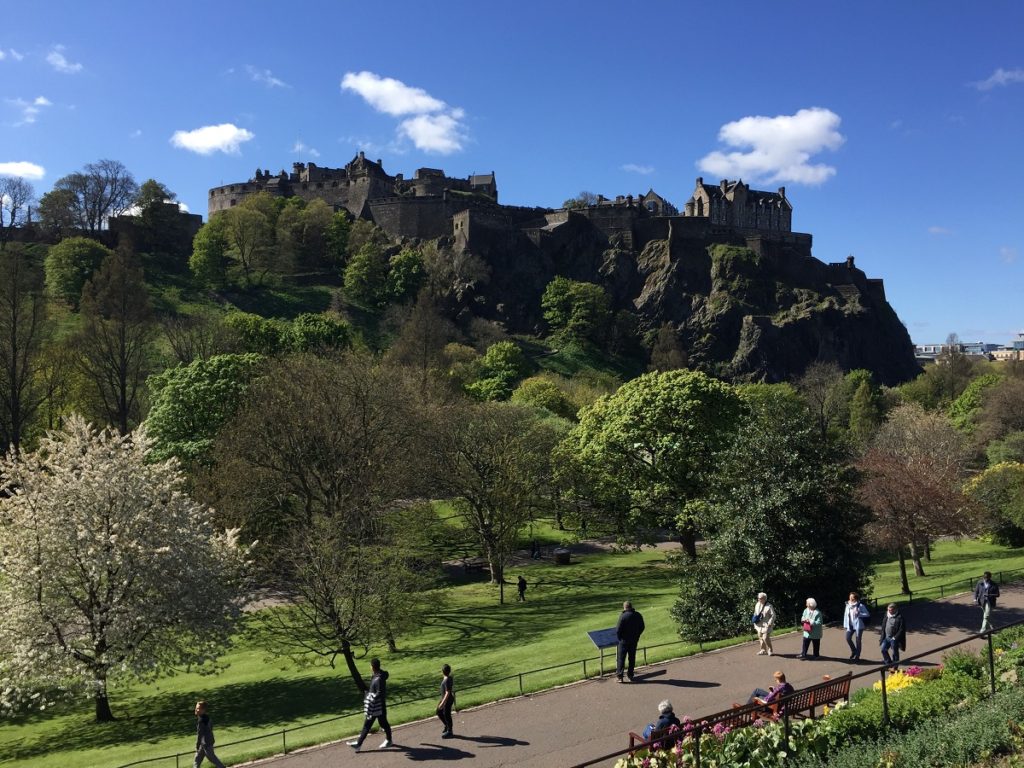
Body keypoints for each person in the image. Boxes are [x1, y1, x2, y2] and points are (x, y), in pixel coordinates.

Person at [347, 658, 393, 751]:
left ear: (372, 667)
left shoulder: (379, 678)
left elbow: (380, 693)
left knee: (379, 723)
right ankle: (359, 744)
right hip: (376, 705)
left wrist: (370, 698)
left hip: (377, 706)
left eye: (370, 665)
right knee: (373, 723)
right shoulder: (376, 675)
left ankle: (388, 740)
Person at [616, 600, 646, 682]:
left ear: (625, 607)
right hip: (634, 640)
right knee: (632, 658)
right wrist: (637, 635)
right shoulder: (638, 615)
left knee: (621, 659)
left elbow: (618, 630)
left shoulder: (623, 616)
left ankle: (620, 676)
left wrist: (620, 638)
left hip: (624, 641)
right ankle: (630, 675)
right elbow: (642, 627)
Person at [192, 700, 226, 768]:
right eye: (196, 707)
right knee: (197, 759)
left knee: (212, 758)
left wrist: (197, 745)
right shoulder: (207, 717)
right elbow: (210, 728)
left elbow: (199, 734)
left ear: (203, 710)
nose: (196, 709)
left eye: (198, 708)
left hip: (206, 744)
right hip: (205, 743)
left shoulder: (201, 721)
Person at [842, 591, 871, 660]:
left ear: (856, 598)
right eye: (850, 596)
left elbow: (867, 614)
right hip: (850, 626)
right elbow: (846, 616)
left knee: (858, 641)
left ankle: (857, 655)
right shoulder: (847, 605)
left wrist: (860, 614)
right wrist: (845, 625)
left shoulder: (860, 606)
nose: (851, 598)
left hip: (858, 626)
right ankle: (854, 651)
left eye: (853, 597)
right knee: (848, 638)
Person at [879, 603, 907, 670]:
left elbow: (902, 629)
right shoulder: (886, 615)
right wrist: (882, 635)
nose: (889, 611)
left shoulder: (900, 617)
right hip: (886, 637)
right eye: (888, 610)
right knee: (883, 649)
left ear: (895, 610)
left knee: (894, 652)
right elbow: (884, 625)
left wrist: (895, 638)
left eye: (891, 610)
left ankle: (895, 666)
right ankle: (888, 663)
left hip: (894, 638)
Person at [752, 592, 775, 656]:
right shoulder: (757, 604)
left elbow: (773, 615)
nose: (759, 599)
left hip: (766, 625)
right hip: (758, 625)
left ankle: (770, 650)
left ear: (764, 598)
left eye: (760, 598)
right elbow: (755, 612)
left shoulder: (769, 606)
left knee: (765, 638)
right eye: (758, 598)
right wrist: (754, 619)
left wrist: (770, 623)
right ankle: (763, 650)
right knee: (760, 637)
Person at [436, 663, 455, 738]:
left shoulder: (447, 680)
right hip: (445, 699)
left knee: (447, 715)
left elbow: (447, 692)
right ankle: (447, 726)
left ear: (442, 671)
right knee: (439, 712)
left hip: (447, 700)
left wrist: (443, 703)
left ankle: (450, 731)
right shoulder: (448, 678)